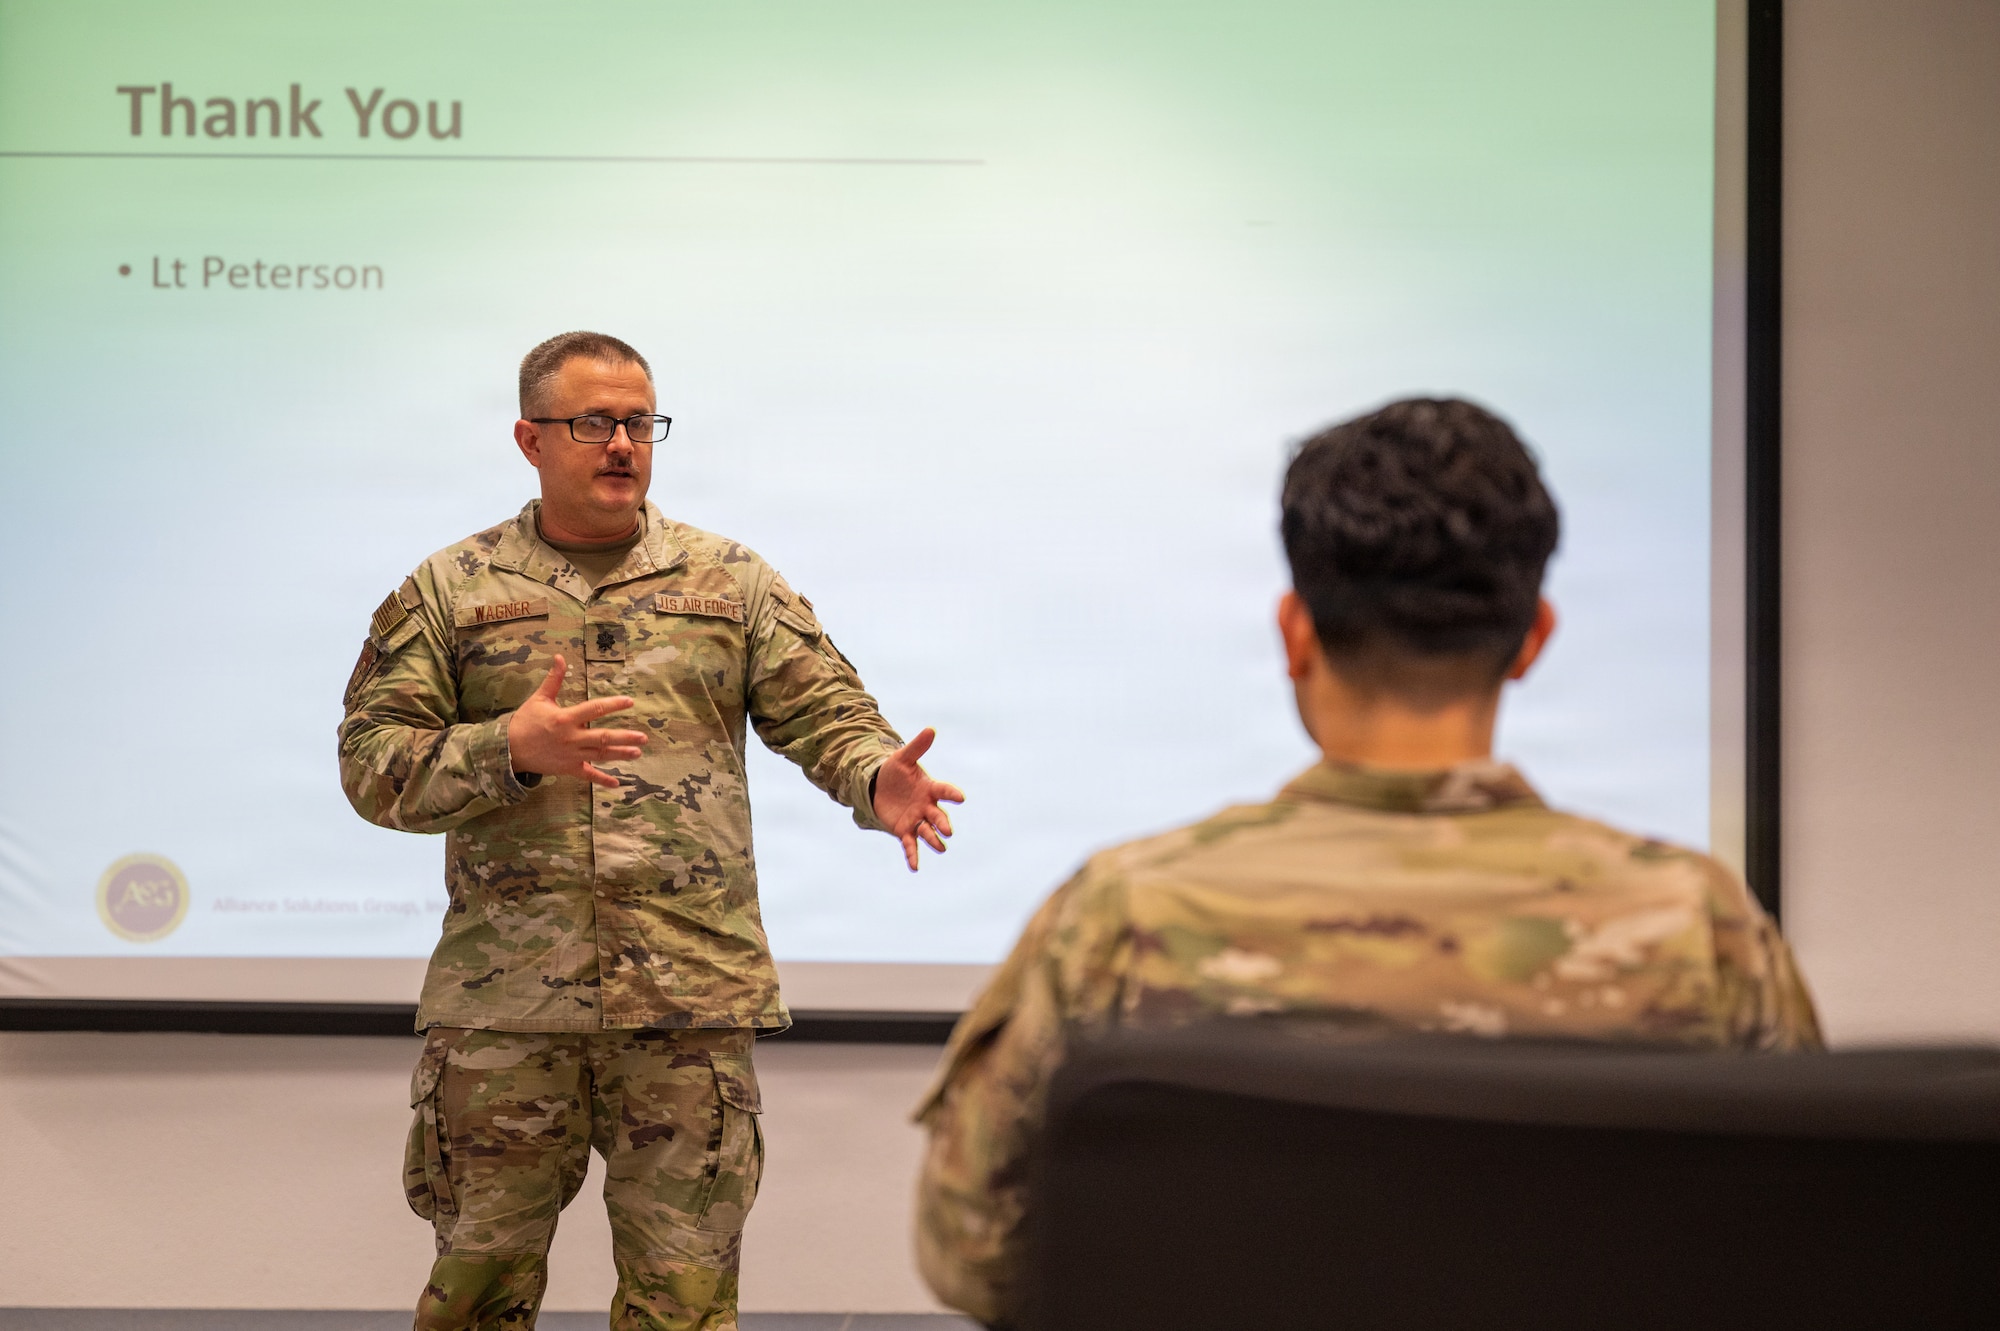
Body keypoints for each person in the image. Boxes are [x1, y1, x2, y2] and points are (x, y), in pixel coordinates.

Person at [912, 397, 1822, 1328]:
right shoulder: (1693, 919)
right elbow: (1813, 1247)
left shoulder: (1126, 910)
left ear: (1294, 631)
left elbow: (974, 1247)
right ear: (1534, 637)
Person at [339, 331, 964, 1331]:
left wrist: (872, 775)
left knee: (684, 1302)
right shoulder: (450, 590)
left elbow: (827, 717)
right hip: (507, 1012)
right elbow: (370, 764)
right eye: (593, 422)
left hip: (686, 1004)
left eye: (639, 421)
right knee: (476, 1292)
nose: (622, 443)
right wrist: (507, 745)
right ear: (529, 438)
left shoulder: (729, 581)